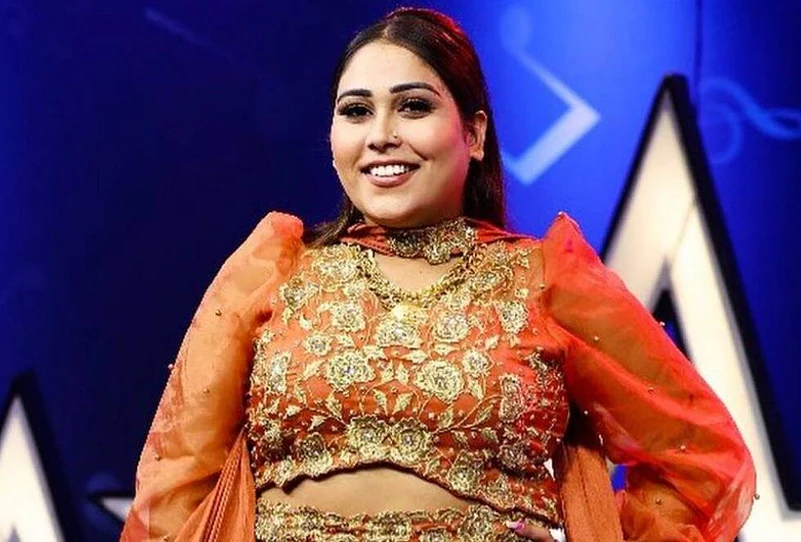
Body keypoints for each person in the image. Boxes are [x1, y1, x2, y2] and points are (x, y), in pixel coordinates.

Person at [121, 7, 756, 542]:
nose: (381, 135)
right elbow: (178, 487)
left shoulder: (545, 280)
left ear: (473, 134)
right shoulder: (276, 271)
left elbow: (700, 460)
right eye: (356, 111)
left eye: (413, 106)